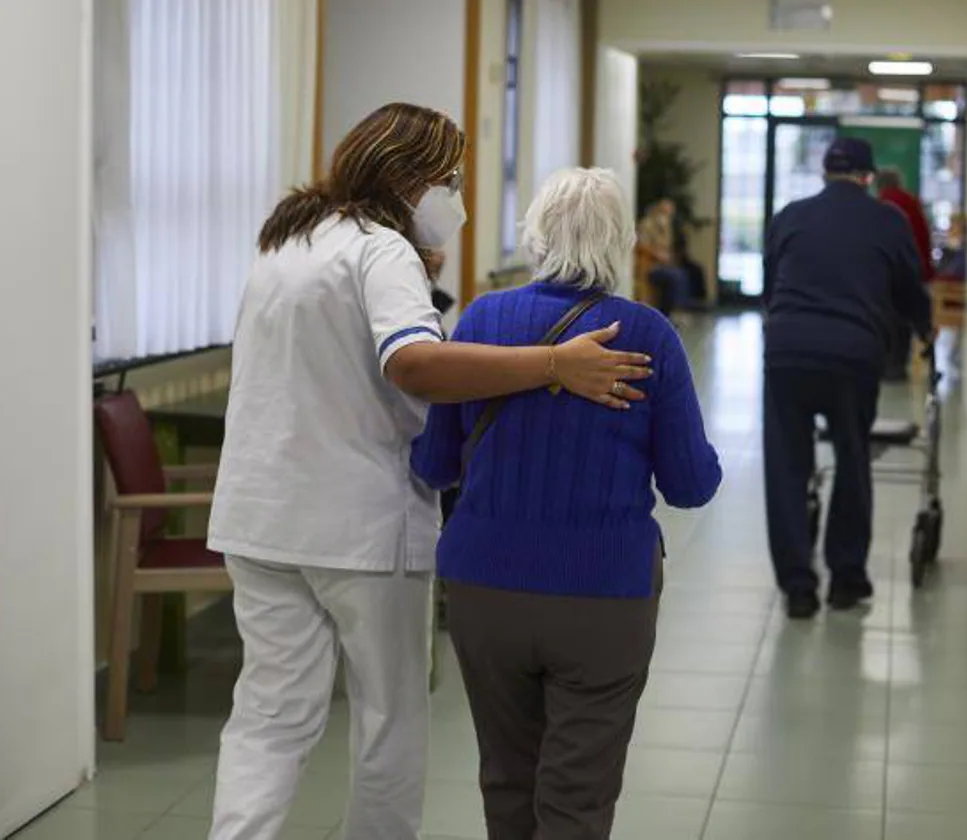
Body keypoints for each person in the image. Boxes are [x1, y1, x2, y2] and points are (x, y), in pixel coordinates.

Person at [204, 104, 652, 840]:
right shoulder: (383, 252)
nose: (459, 202)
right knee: (389, 718)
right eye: (449, 181)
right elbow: (411, 362)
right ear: (409, 178)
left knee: (268, 715)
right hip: (358, 528)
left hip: (261, 519)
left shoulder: (286, 241)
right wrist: (554, 365)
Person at [412, 167, 722, 839]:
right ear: (619, 241)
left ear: (536, 236)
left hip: (484, 587)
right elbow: (691, 485)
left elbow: (433, 462)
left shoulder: (485, 317)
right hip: (602, 595)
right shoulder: (648, 336)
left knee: (506, 775)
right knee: (576, 798)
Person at [762, 137, 931, 619]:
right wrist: (923, 329)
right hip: (853, 354)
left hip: (788, 350)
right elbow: (909, 289)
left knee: (787, 467)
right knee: (852, 458)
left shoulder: (790, 215)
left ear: (823, 174)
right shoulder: (887, 220)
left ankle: (798, 587)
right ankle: (846, 578)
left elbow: (772, 284)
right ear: (869, 176)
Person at [875, 166, 934, 381]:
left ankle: (889, 364)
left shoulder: (881, 206)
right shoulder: (912, 202)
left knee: (888, 317)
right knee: (905, 318)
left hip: (890, 268)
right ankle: (898, 364)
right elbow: (924, 236)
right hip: (914, 266)